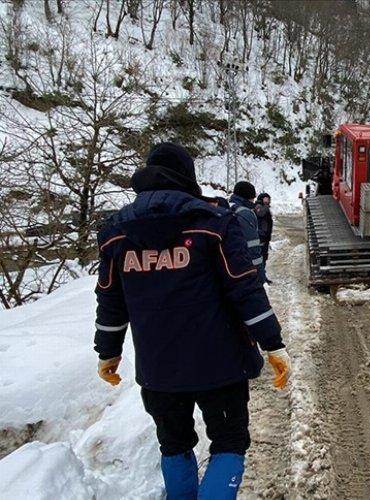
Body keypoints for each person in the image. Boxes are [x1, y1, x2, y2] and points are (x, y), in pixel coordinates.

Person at [93, 143, 291, 499]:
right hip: (221, 364)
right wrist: (273, 344)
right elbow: (245, 289)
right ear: (189, 176)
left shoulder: (116, 233)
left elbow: (110, 299)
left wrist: (108, 352)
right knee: (229, 442)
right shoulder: (212, 223)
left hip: (159, 369)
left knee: (174, 444)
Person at [229, 181, 265, 281]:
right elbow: (252, 247)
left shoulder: (228, 207)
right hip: (244, 269)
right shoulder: (245, 213)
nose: (253, 201)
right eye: (253, 198)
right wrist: (260, 276)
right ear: (248, 197)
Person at [254, 193, 273, 283]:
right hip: (261, 237)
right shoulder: (258, 205)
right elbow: (260, 213)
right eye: (266, 199)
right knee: (260, 258)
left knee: (264, 257)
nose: (268, 201)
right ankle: (259, 277)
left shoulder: (264, 207)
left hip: (265, 237)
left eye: (268, 199)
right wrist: (265, 205)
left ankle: (262, 276)